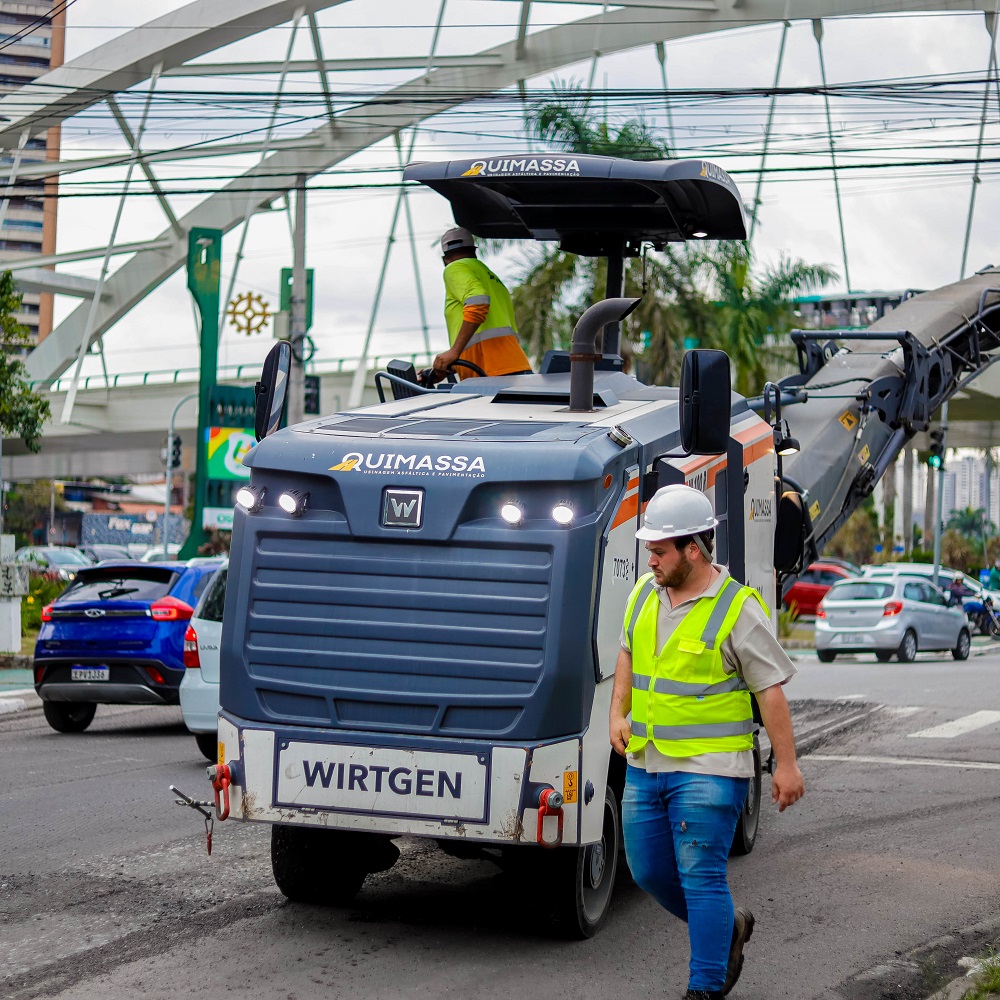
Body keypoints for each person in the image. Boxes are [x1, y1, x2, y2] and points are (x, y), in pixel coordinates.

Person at [609, 484, 806, 1000]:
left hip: (712, 767)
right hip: (646, 763)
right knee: (649, 871)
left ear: (692, 549)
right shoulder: (642, 596)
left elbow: (771, 692)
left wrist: (786, 765)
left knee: (700, 876)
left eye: (659, 550)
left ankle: (704, 987)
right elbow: (627, 653)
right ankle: (730, 927)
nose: (649, 558)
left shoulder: (737, 609)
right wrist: (616, 712)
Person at [432, 226, 532, 380]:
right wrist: (450, 364)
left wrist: (454, 352)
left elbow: (478, 303)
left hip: (491, 372)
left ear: (445, 259)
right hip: (514, 366)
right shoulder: (492, 278)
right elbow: (483, 338)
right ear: (474, 251)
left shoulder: (454, 268)